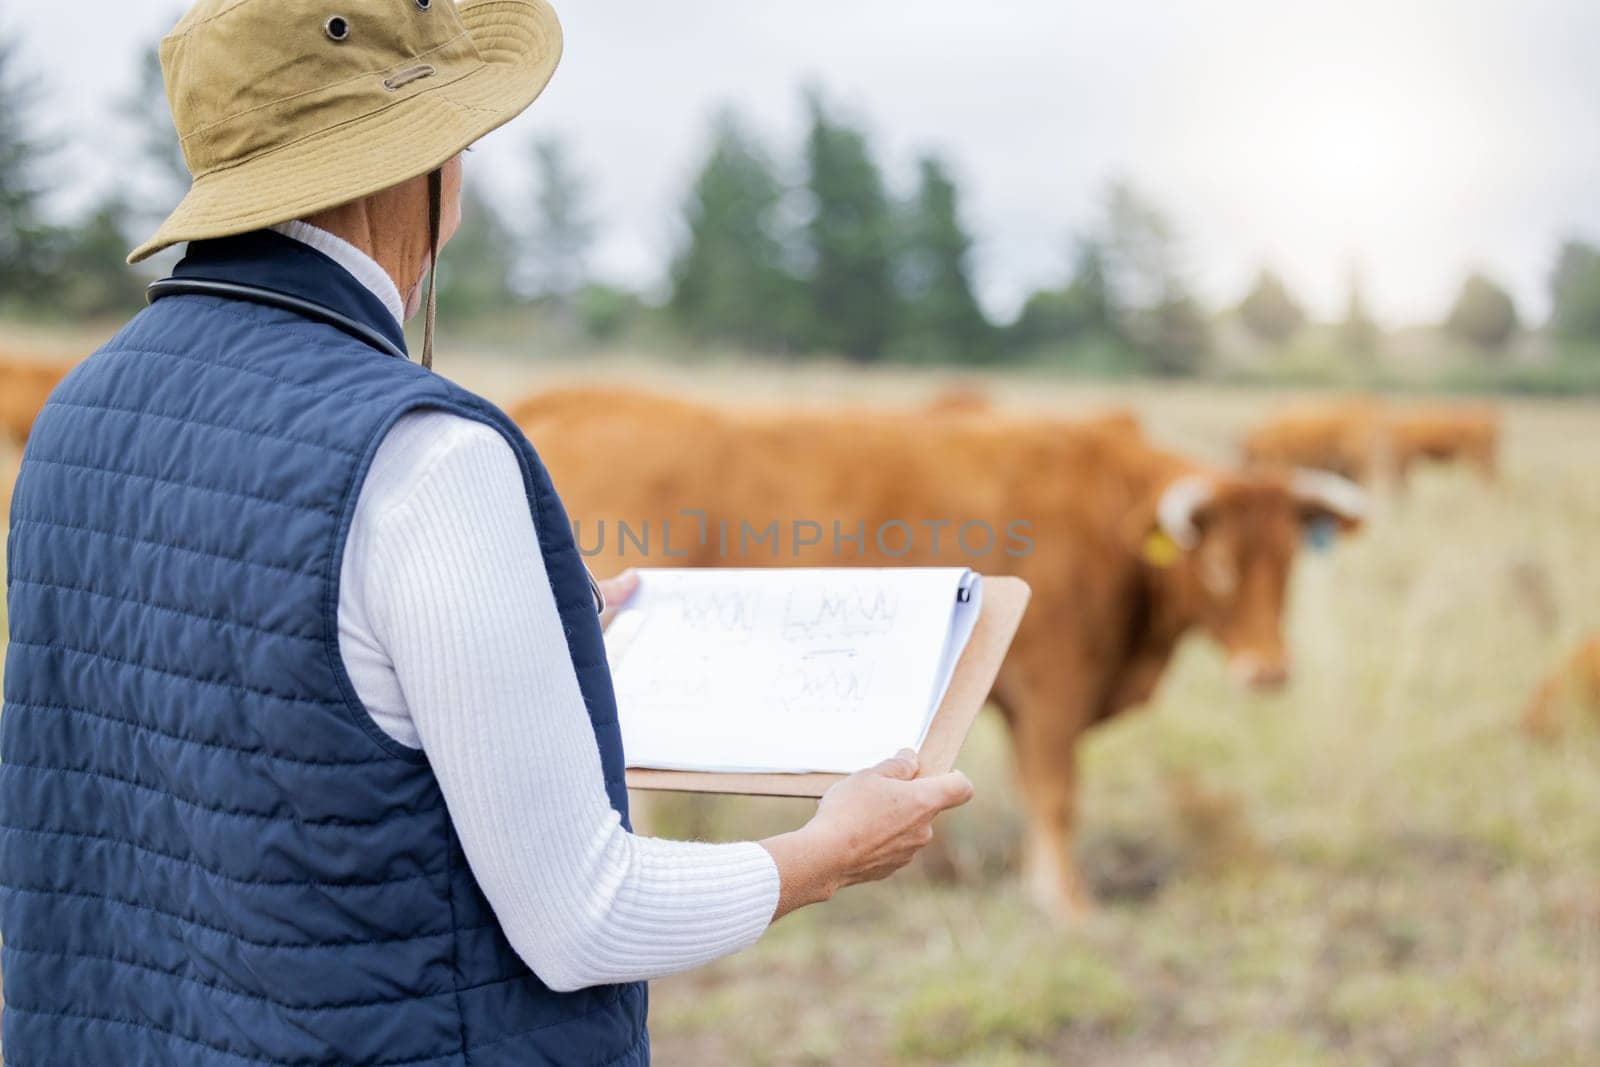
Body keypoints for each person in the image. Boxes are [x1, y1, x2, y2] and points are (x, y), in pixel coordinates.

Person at [0, 1, 973, 1064]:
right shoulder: (426, 459)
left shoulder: (76, 413)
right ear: (414, 165)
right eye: (460, 136)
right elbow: (587, 914)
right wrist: (824, 850)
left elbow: (227, 721)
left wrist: (510, 628)